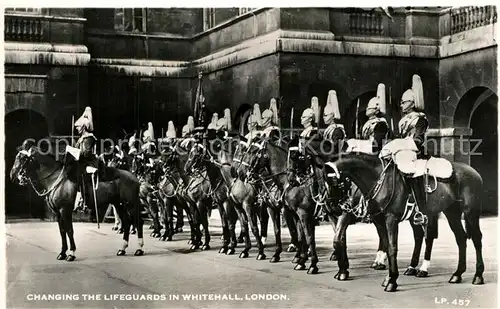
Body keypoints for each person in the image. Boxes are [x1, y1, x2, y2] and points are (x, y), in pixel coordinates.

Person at [380, 74, 429, 225]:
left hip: (416, 153)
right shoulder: (403, 120)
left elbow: (418, 141)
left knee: (411, 171)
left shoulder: (420, 119)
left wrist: (397, 144)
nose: (401, 105)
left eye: (403, 102)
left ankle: (421, 210)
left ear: (412, 103)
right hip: (403, 152)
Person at [66, 107, 98, 211]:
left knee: (79, 174)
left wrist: (72, 150)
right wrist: (72, 148)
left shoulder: (89, 138)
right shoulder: (81, 138)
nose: (76, 128)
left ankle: (84, 201)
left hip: (89, 163)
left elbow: (86, 153)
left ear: (83, 127)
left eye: (78, 127)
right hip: (82, 162)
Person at [322, 90, 346, 155]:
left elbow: (335, 150)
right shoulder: (330, 129)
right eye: (323, 115)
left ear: (332, 116)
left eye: (326, 115)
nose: (324, 117)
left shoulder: (336, 131)